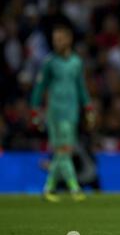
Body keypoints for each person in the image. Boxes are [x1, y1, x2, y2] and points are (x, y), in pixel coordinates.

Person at [31, 24, 95, 202]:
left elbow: (81, 87)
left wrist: (88, 107)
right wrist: (35, 110)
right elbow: (39, 87)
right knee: (64, 150)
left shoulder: (76, 62)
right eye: (54, 40)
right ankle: (74, 188)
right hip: (55, 113)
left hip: (72, 112)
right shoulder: (50, 63)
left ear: (69, 39)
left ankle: (49, 188)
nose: (57, 43)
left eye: (60, 39)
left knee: (62, 152)